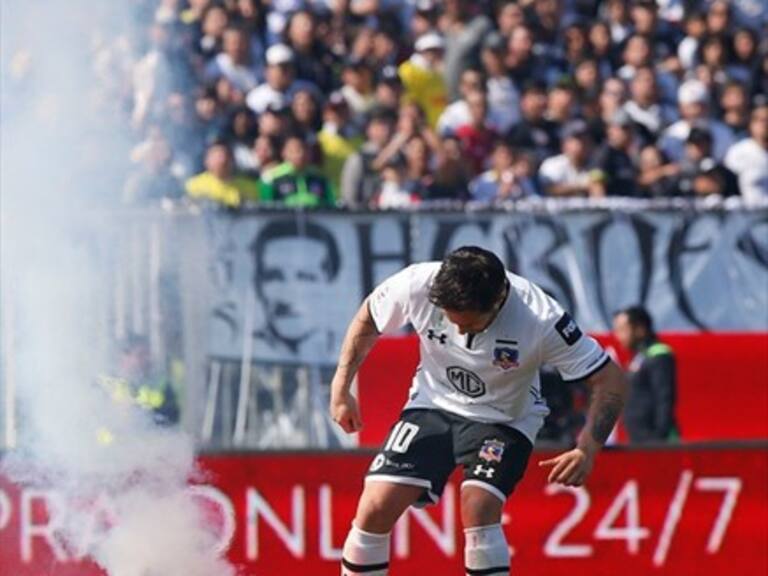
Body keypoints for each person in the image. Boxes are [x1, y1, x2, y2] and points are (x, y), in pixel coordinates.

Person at [330, 246, 628, 576]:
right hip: (432, 403)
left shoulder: (541, 318)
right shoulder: (416, 283)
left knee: (478, 506)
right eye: (450, 319)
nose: (459, 332)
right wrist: (341, 387)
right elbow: (369, 316)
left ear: (498, 301)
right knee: (374, 506)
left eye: (469, 326)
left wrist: (587, 448)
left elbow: (610, 379)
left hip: (504, 418)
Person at [251, 218, 341, 358]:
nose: (287, 296)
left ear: (330, 284)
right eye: (274, 277)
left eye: (305, 277)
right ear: (259, 286)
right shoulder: (243, 353)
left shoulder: (352, 353)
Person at [612, 306, 678, 443]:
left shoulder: (659, 354)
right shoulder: (639, 357)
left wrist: (660, 435)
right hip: (639, 438)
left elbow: (665, 397)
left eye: (623, 330)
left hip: (656, 440)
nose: (618, 337)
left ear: (640, 329)